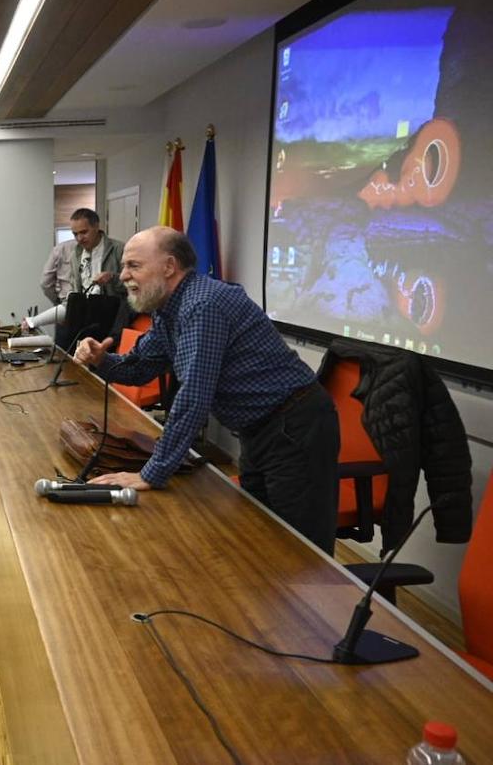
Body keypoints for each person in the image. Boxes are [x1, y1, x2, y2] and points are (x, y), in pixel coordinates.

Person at [71, 226, 340, 553]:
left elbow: (193, 396)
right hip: (261, 430)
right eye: (125, 266)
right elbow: (141, 366)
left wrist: (151, 473)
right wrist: (102, 360)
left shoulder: (203, 304)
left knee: (300, 552)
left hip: (295, 427)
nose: (123, 275)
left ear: (169, 267)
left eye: (134, 266)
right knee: (262, 537)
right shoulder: (168, 309)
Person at [41, 208, 127, 306]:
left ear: (96, 226)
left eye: (84, 232)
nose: (79, 238)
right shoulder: (75, 255)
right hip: (85, 314)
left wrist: (112, 278)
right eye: (75, 234)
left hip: (114, 313)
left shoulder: (119, 249)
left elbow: (134, 285)